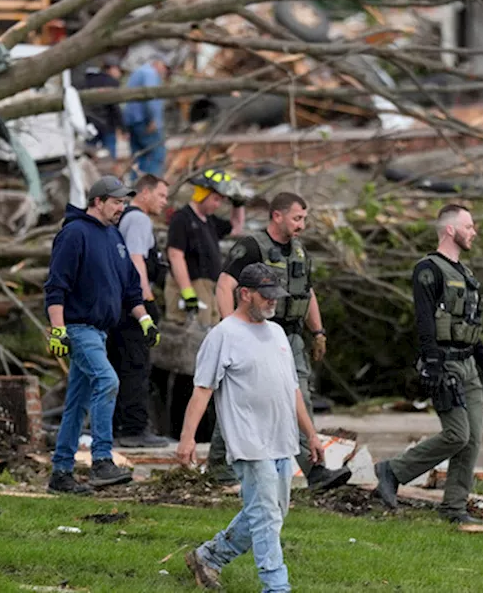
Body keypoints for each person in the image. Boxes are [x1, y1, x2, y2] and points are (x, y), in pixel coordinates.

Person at [178, 263, 326, 593]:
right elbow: (203, 390)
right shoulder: (223, 335)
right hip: (248, 442)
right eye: (266, 296)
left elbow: (292, 390)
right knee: (266, 517)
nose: (273, 302)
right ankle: (276, 586)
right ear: (245, 294)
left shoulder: (276, 333)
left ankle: (209, 556)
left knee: (272, 511)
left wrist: (311, 435)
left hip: (282, 440)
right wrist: (187, 439)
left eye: (276, 296)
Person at [209, 192, 351, 491]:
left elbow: (306, 292)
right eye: (297, 218)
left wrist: (319, 332)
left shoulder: (299, 252)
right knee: (241, 399)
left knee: (299, 396)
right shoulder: (251, 246)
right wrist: (231, 329)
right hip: (256, 333)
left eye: (304, 218)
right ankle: (220, 466)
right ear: (277, 216)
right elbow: (225, 284)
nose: (302, 224)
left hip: (291, 337)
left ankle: (315, 470)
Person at [373, 204, 483, 523]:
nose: (474, 232)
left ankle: (454, 507)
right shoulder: (428, 269)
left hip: (468, 362)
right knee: (457, 434)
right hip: (444, 362)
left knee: (472, 440)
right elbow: (424, 319)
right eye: (469, 226)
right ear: (450, 229)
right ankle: (393, 470)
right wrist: (432, 362)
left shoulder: (466, 274)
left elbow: (468, 325)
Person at [44, 175, 161, 494]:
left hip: (102, 332)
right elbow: (56, 286)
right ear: (98, 202)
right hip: (78, 329)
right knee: (108, 381)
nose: (122, 208)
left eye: (124, 202)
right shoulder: (74, 233)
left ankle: (61, 473)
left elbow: (130, 289)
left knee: (77, 403)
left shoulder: (114, 237)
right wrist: (58, 330)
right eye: (116, 202)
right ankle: (101, 461)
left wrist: (145, 320)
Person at [109, 174, 174, 447]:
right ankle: (134, 430)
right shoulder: (138, 219)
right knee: (136, 367)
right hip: (133, 307)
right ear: (145, 193)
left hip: (119, 306)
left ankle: (117, 426)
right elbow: (136, 259)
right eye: (161, 195)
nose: (164, 202)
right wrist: (145, 302)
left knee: (121, 365)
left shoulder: (125, 219)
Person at [164, 169, 245, 326]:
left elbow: (236, 227)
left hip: (210, 289)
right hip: (192, 287)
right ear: (202, 194)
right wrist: (187, 292)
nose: (218, 204)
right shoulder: (182, 219)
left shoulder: (210, 221)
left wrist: (238, 202)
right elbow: (175, 255)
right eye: (215, 199)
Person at [123, 56, 170, 177]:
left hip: (133, 121)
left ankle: (135, 188)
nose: (165, 71)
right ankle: (151, 187)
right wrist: (154, 119)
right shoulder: (150, 74)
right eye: (165, 67)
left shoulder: (138, 72)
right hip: (145, 121)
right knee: (157, 154)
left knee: (138, 157)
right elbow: (151, 97)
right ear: (158, 63)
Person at [79, 57, 123, 159]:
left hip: (89, 123)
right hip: (107, 124)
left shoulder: (86, 82)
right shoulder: (111, 82)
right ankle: (109, 173)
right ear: (111, 68)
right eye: (118, 70)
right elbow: (114, 106)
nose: (120, 73)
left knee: (89, 154)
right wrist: (122, 127)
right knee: (109, 154)